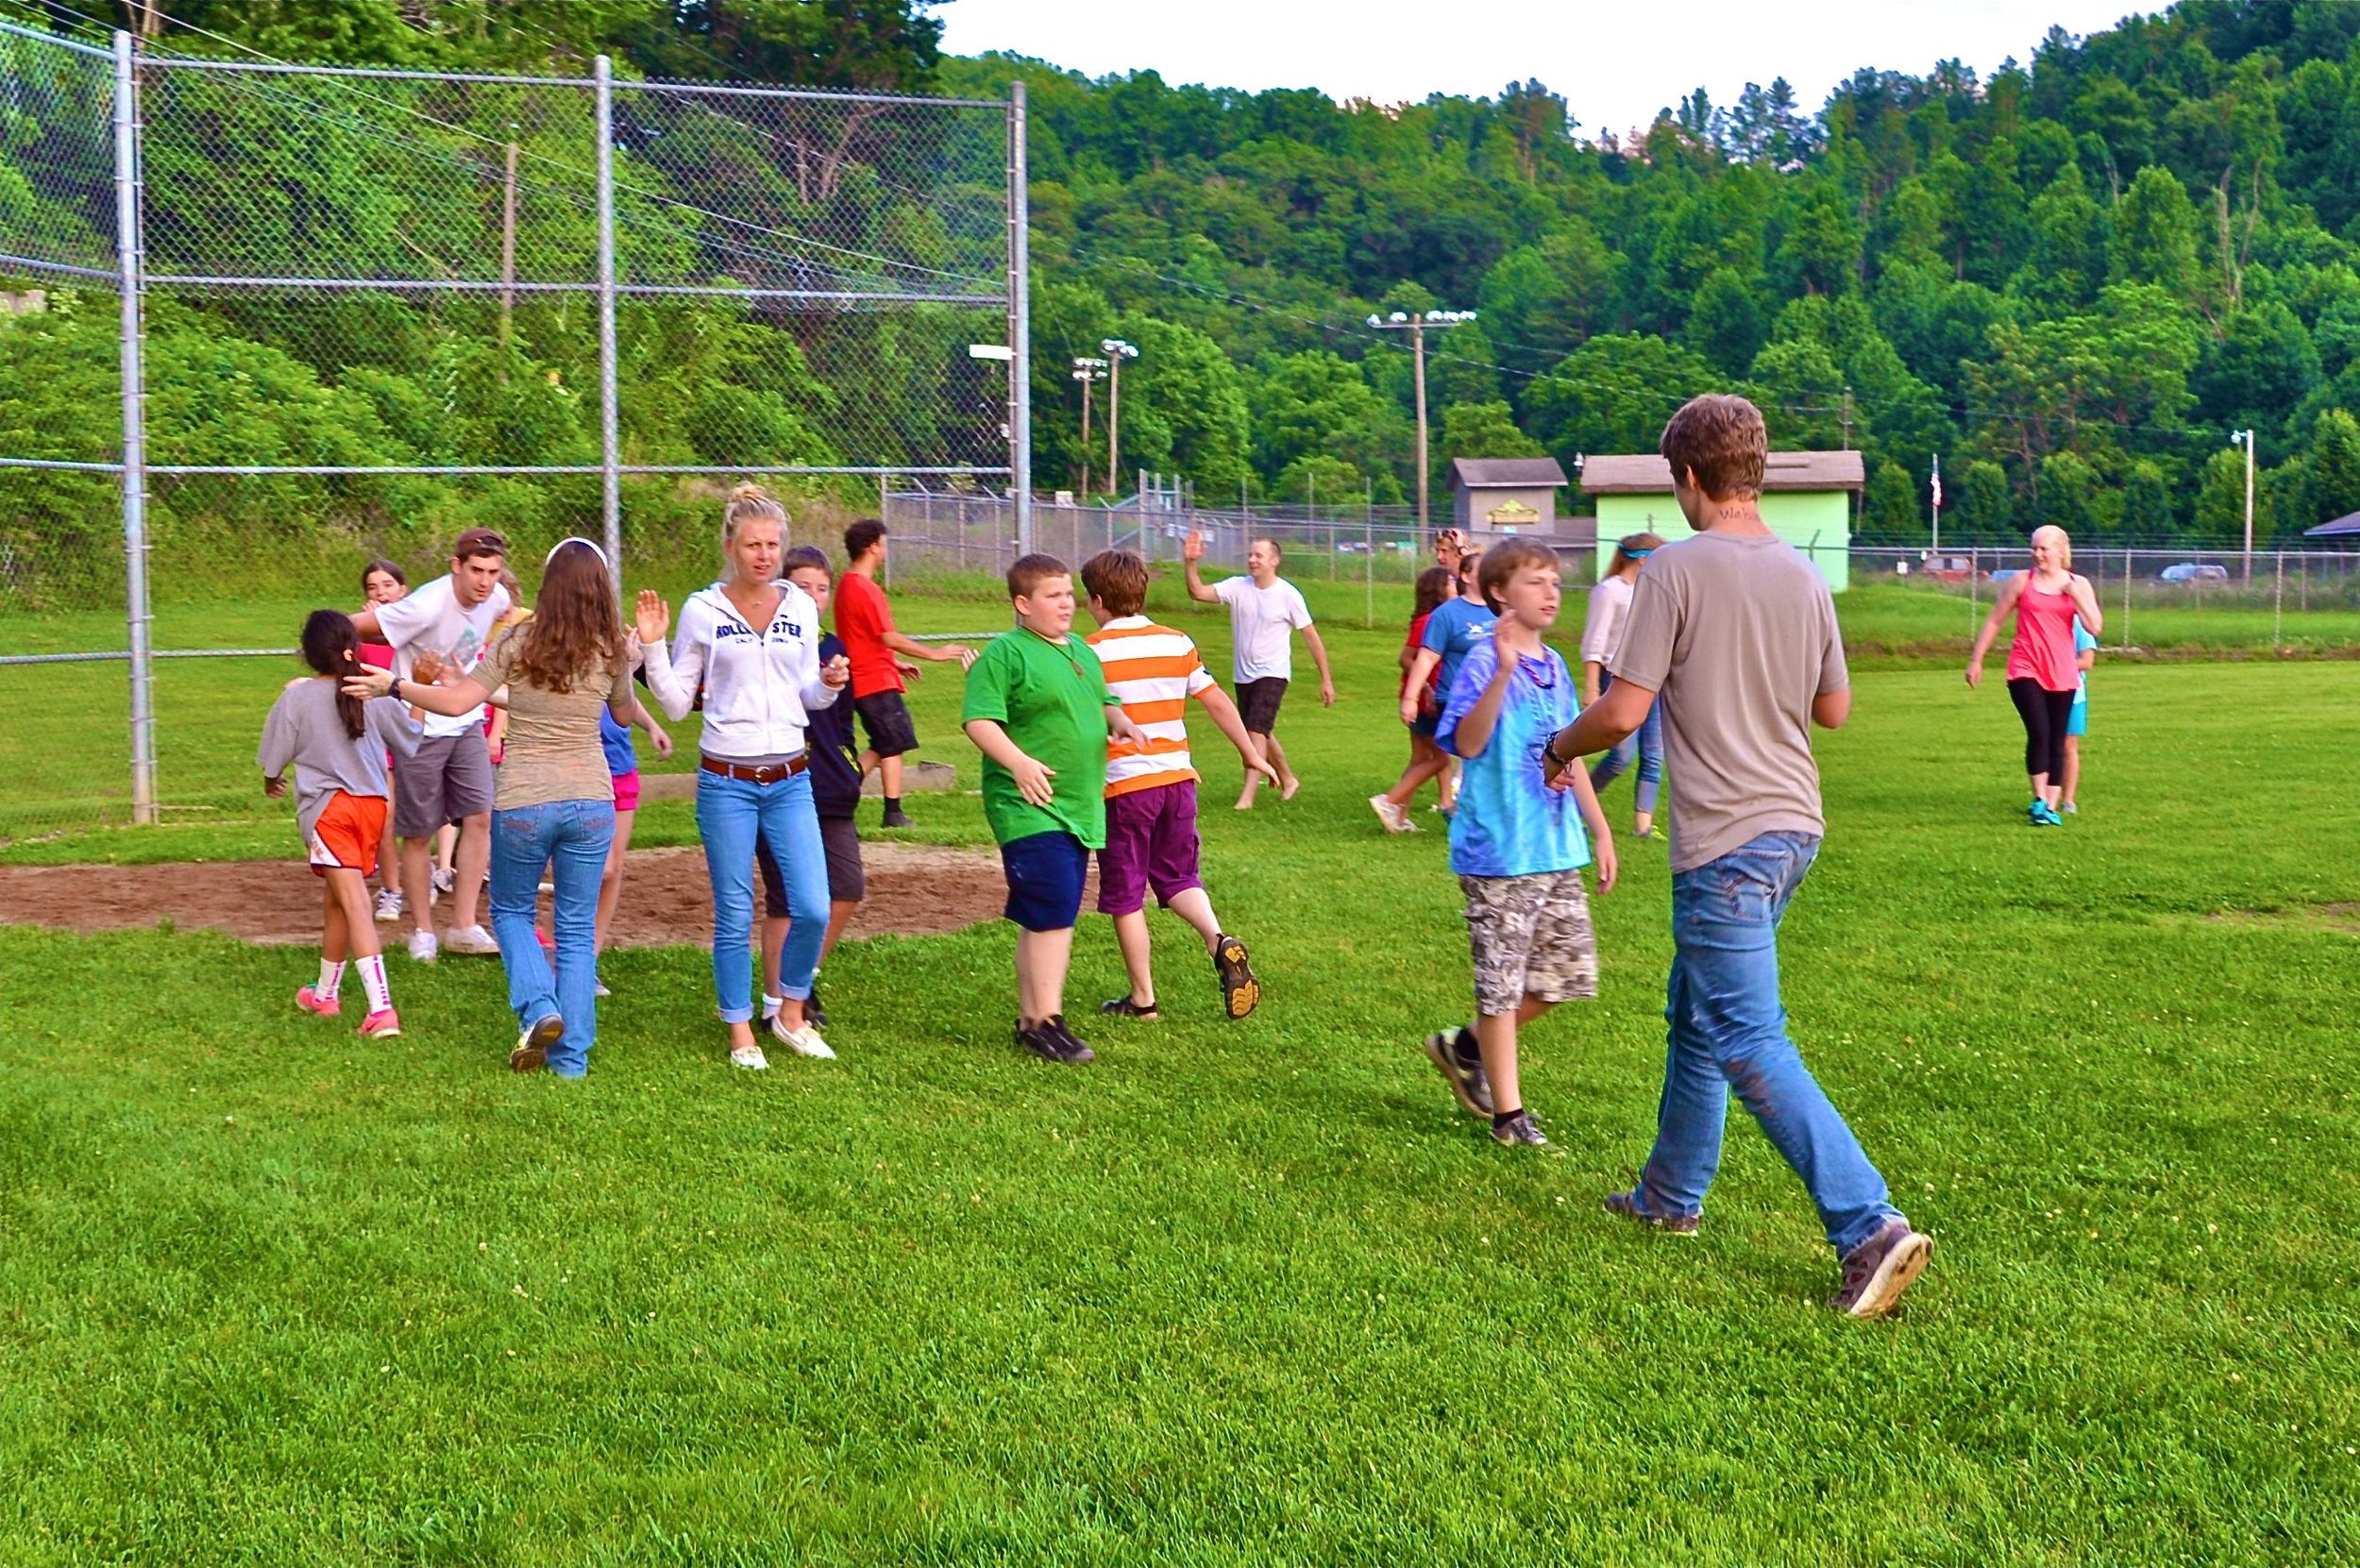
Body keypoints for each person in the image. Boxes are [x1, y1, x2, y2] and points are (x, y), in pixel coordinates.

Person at [1545, 393, 1933, 1321]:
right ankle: (1669, 1194)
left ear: (1686, 478)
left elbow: (1623, 712)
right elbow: (1832, 708)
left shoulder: (1672, 573)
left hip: (1723, 839)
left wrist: (1559, 747)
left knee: (1750, 1037)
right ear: (1752, 471)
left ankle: (1867, 1225)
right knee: (1698, 1014)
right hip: (1793, 825)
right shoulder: (1800, 576)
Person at [348, 539, 636, 1078]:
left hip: (525, 799)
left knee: (510, 912)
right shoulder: (611, 648)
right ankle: (570, 1060)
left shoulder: (518, 641)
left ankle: (540, 1008)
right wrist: (636, 662)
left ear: (548, 586)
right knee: (575, 927)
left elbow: (458, 702)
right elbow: (621, 717)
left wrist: (395, 684)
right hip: (592, 802)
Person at [637, 484, 849, 1070]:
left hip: (791, 776)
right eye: (752, 544)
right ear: (731, 546)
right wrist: (653, 650)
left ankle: (790, 1012)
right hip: (726, 779)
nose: (763, 555)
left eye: (773, 544)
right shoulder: (704, 610)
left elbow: (809, 695)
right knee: (735, 910)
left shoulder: (800, 606)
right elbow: (679, 704)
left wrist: (829, 684)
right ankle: (739, 1032)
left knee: (812, 905)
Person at [1419, 540, 1616, 1148]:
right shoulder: (1484, 659)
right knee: (1501, 987)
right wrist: (1502, 669)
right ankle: (1510, 1117)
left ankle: (1467, 1046)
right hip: (1500, 851)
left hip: (1556, 847)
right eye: (1536, 582)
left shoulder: (1556, 666)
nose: (1552, 592)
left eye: (1556, 581)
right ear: (1501, 592)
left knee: (1567, 975)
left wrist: (1600, 828)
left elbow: (1570, 751)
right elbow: (1467, 745)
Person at [960, 551, 1148, 1064]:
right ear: (1023, 604)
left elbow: (1100, 699)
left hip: (1078, 803)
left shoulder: (1084, 652)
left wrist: (1119, 721)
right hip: (1029, 802)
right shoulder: (1006, 653)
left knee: (1044, 911)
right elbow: (979, 721)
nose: (1066, 604)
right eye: (1052, 596)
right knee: (1057, 904)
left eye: (1068, 594)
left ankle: (1030, 1020)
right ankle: (1048, 1021)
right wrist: (1019, 763)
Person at [1079, 548, 1275, 1021]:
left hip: (1125, 786)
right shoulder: (1177, 641)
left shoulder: (1087, 652)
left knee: (1126, 896)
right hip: (1178, 782)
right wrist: (1251, 754)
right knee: (1178, 877)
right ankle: (1218, 940)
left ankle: (1142, 999)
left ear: (1098, 600)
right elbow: (1218, 702)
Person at [348, 527, 512, 962]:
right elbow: (357, 627)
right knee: (419, 832)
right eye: (475, 570)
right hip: (418, 726)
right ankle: (423, 930)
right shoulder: (425, 604)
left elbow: (507, 612)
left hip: (466, 719)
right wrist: (327, 639)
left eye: (493, 571)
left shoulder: (495, 599)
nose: (484, 581)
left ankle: (463, 925)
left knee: (479, 816)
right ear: (455, 566)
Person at [261, 610, 421, 1041]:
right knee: (336, 900)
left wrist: (271, 778)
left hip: (331, 813)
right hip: (372, 810)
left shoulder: (296, 697)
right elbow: (412, 739)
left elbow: (273, 758)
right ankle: (325, 994)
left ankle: (381, 1009)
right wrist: (420, 693)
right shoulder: (375, 691)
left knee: (354, 903)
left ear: (308, 655)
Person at [755, 547, 874, 1037]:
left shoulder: (833, 647)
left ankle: (801, 980)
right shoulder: (769, 643)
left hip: (831, 792)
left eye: (822, 588)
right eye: (802, 586)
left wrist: (850, 770)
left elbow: (844, 724)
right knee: (786, 899)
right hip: (778, 782)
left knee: (846, 887)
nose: (813, 596)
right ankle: (775, 1003)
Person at [835, 517, 975, 829]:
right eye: (883, 544)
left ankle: (845, 796)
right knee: (891, 742)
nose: (885, 550)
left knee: (887, 742)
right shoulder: (865, 588)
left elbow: (859, 639)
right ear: (872, 546)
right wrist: (933, 653)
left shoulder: (846, 585)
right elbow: (888, 636)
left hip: (868, 675)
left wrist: (894, 663)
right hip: (873, 681)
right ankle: (881, 809)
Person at [1180, 531, 1334, 809]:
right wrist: (1191, 563)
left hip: (1273, 672)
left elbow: (1312, 637)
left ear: (1274, 561)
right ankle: (1287, 778)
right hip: (1244, 674)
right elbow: (1198, 592)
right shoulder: (1238, 587)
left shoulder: (1288, 595)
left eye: (1258, 556)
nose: (1252, 560)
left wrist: (1326, 679)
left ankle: (1248, 796)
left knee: (1255, 730)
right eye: (1250, 555)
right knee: (1260, 728)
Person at [1966, 525, 2104, 827]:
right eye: (2034, 548)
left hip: (2063, 673)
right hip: (2025, 668)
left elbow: (2095, 627)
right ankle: (2040, 799)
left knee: (2057, 739)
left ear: (2060, 551)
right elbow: (1994, 621)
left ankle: (2051, 808)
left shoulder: (2078, 583)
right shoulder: (2021, 582)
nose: (2037, 554)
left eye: (2043, 548)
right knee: (2039, 731)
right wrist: (1977, 660)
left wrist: (2074, 595)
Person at [1582, 531, 1668, 840]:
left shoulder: (1653, 592)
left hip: (1655, 680)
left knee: (1654, 754)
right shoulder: (1610, 591)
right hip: (1618, 678)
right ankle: (1578, 805)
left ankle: (1643, 827)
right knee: (1621, 755)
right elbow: (1596, 641)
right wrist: (1592, 687)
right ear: (1643, 559)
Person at [1399, 546, 1492, 817]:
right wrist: (1410, 699)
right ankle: (1459, 809)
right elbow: (1424, 658)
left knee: (1486, 758)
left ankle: (1457, 808)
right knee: (1463, 756)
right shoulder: (1447, 614)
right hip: (1455, 698)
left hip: (1494, 700)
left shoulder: (1502, 611)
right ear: (1466, 576)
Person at [590, 694, 672, 997]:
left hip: (621, 765)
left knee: (614, 870)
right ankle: (549, 935)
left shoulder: (617, 653)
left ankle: (588, 962)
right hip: (585, 769)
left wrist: (652, 726)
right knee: (600, 867)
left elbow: (624, 696)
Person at [1370, 565, 1456, 834]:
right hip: (1425, 703)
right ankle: (1389, 800)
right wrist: (1427, 689)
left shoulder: (1439, 618)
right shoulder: (1431, 620)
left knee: (1419, 759)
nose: (1455, 585)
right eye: (1450, 581)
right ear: (1438, 590)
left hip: (1424, 699)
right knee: (1441, 760)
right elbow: (1407, 658)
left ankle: (1397, 816)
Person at [358, 559, 412, 926]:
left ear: (403, 591)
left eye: (388, 585)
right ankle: (392, 889)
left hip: (418, 727)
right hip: (379, 734)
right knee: (386, 815)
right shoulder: (359, 638)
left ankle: (437, 874)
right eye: (373, 588)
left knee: (429, 816)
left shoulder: (415, 629)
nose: (381, 593)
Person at [2060, 615, 2098, 814]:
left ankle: (2068, 800)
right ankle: (2043, 797)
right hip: (2044, 690)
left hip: (2073, 692)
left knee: (2069, 745)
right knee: (2045, 743)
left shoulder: (2079, 623)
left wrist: (2057, 666)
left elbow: (2087, 661)